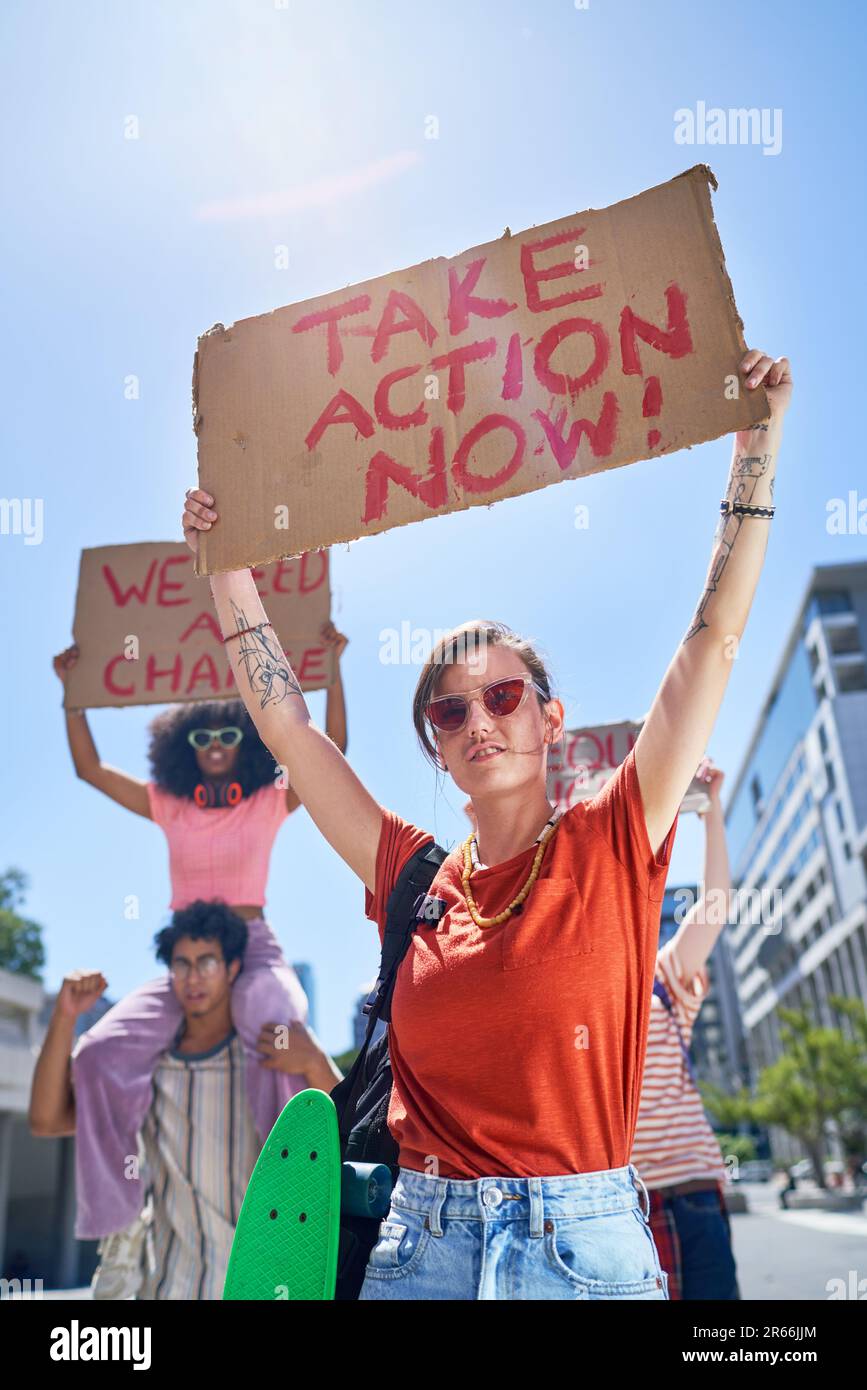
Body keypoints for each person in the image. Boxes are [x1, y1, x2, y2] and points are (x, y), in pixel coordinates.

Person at [181, 345, 791, 1300]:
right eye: (449, 711)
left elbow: (713, 637)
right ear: (435, 744)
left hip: (581, 1253)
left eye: (502, 695)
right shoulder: (409, 875)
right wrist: (228, 574)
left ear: (550, 718)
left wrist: (755, 445)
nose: (478, 721)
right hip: (417, 1251)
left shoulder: (616, 835)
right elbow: (288, 727)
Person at [51, 622, 349, 1242]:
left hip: (252, 946)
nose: (216, 744)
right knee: (99, 1054)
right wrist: (71, 692)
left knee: (278, 1031)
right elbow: (86, 770)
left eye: (228, 735)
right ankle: (118, 1221)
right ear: (186, 746)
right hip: (187, 956)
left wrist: (334, 668)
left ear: (244, 744)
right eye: (204, 736)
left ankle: (285, 1201)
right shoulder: (169, 804)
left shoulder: (268, 799)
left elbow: (333, 748)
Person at [29, 900, 343, 1300]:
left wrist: (315, 1061)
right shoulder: (145, 1068)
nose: (193, 977)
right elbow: (46, 1121)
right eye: (181, 964)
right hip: (168, 1285)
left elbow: (342, 1130)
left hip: (261, 1284)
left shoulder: (267, 1062)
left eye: (207, 962)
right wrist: (64, 1016)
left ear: (232, 969)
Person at [630, 759, 741, 1300]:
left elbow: (715, 908)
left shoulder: (662, 977)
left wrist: (710, 809)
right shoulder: (566, 987)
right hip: (619, 1204)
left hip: (692, 1195)